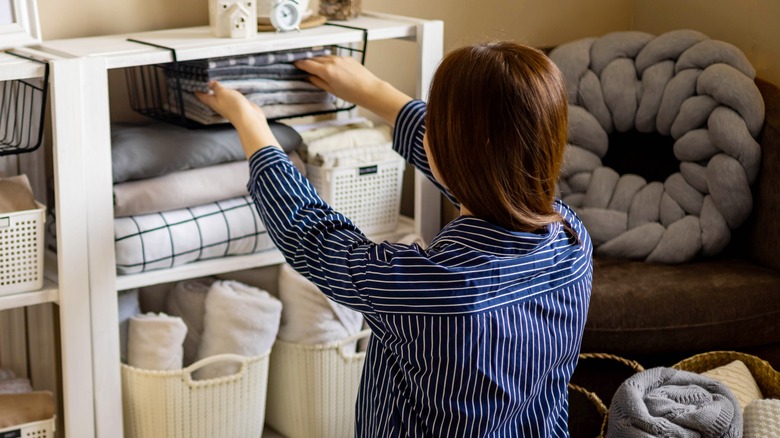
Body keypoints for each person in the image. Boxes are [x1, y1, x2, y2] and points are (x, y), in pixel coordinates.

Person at [196, 41, 593, 437]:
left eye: (436, 124)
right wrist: (373, 93)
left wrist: (250, 123)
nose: (429, 134)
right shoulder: (573, 242)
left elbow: (312, 235)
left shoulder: (433, 287)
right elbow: (488, 177)